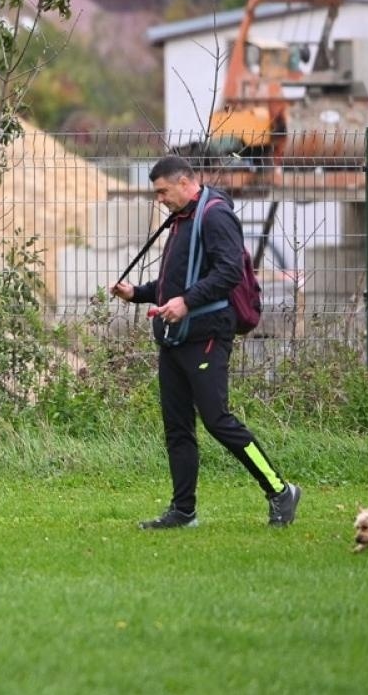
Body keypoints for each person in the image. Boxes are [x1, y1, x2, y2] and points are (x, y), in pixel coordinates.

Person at [109, 155, 299, 530]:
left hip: (207, 334)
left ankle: (280, 490)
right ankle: (183, 512)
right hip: (175, 339)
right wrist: (138, 293)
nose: (159, 199)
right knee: (177, 428)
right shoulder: (182, 220)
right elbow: (174, 286)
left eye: (163, 191)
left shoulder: (214, 216)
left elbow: (228, 271)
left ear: (184, 182)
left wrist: (187, 302)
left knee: (217, 420)